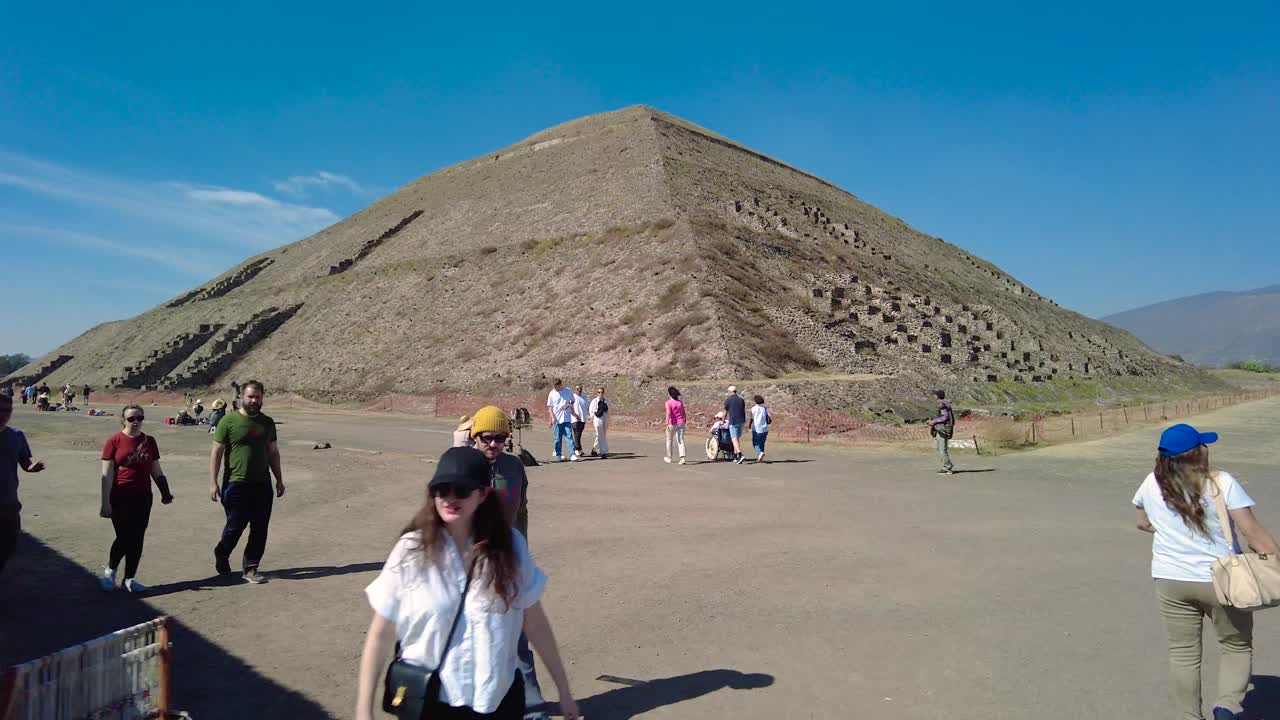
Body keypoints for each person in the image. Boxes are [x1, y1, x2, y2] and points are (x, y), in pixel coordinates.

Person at [354, 447, 580, 720]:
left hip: (499, 700)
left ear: (483, 493)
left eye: (461, 490)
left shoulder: (511, 548)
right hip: (434, 702)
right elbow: (380, 634)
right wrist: (363, 710)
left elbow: (535, 623)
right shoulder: (411, 551)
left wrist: (563, 690)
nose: (450, 498)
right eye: (441, 489)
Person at [1133, 424, 1280, 720]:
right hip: (1222, 580)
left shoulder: (1151, 482)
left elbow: (1142, 521)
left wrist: (1173, 533)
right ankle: (1226, 707)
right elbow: (1252, 532)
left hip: (1170, 579)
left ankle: (1190, 717)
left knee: (1183, 653)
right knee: (1236, 646)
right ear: (1197, 453)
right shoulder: (1220, 482)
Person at [468, 406, 549, 719]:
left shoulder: (514, 467)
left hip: (508, 567)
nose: (493, 444)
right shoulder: (462, 467)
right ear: (475, 437)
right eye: (487, 438)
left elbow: (522, 511)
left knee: (517, 644)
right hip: (471, 572)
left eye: (500, 438)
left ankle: (534, 712)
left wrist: (522, 552)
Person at [210, 380, 284, 584]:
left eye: (257, 397)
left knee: (260, 527)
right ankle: (222, 552)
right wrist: (213, 482)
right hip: (235, 483)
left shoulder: (267, 423)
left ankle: (251, 568)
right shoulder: (228, 421)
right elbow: (216, 453)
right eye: (250, 396)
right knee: (235, 526)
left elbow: (273, 452)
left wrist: (279, 479)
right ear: (242, 397)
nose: (254, 400)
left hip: (262, 484)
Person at [98, 405, 174, 592]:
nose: (136, 421)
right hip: (120, 496)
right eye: (131, 418)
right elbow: (107, 475)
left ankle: (129, 579)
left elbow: (155, 470)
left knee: (137, 538)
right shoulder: (114, 441)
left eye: (139, 417)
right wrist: (105, 502)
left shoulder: (149, 441)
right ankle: (110, 571)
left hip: (143, 497)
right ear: (123, 420)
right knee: (124, 537)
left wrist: (165, 491)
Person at [0, 394, 44, 575]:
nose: (3, 414)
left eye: (7, 410)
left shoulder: (16, 436)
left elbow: (25, 463)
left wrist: (33, 468)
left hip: (9, 504)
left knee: (7, 547)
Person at [544, 379, 579, 462]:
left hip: (566, 418)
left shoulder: (568, 391)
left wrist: (569, 405)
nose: (555, 388)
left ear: (560, 385)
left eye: (557, 386)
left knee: (569, 436)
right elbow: (550, 407)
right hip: (557, 419)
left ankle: (572, 454)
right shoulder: (552, 393)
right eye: (554, 386)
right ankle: (558, 455)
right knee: (557, 438)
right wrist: (552, 418)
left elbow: (573, 401)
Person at [926, 389, 955, 475]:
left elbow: (944, 417)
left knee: (942, 450)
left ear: (938, 396)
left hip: (943, 429)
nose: (934, 396)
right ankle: (947, 466)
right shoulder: (942, 403)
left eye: (935, 394)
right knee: (938, 448)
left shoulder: (942, 404)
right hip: (939, 429)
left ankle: (948, 467)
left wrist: (933, 421)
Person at [724, 385, 747, 464]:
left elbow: (725, 412)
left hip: (733, 421)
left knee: (734, 438)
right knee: (736, 439)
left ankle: (740, 454)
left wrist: (723, 420)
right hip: (741, 420)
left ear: (730, 392)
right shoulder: (741, 400)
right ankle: (736, 456)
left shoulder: (728, 400)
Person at [664, 387, 687, 465]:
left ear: (670, 394)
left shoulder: (668, 402)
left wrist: (666, 422)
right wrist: (684, 420)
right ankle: (682, 458)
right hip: (681, 423)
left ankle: (669, 457)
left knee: (669, 440)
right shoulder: (680, 402)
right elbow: (684, 412)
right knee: (680, 440)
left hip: (672, 423)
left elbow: (668, 413)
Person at [589, 387, 609, 459]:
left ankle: (594, 449)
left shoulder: (606, 401)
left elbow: (607, 410)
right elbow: (591, 411)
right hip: (598, 418)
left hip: (605, 418)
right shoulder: (594, 401)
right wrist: (594, 416)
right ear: (597, 393)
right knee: (601, 435)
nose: (600, 393)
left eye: (602, 392)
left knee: (602, 434)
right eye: (599, 392)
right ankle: (603, 452)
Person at [750, 395, 771, 462]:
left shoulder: (753, 408)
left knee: (755, 443)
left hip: (756, 428)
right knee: (762, 443)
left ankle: (760, 453)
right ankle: (760, 456)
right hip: (765, 428)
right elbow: (768, 417)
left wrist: (749, 424)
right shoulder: (764, 408)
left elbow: (752, 418)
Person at [570, 386, 590, 457]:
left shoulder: (584, 397)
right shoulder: (572, 397)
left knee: (579, 434)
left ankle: (578, 449)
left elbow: (587, 408)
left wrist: (588, 416)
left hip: (582, 419)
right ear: (575, 390)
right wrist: (575, 415)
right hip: (575, 419)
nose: (579, 390)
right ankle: (577, 450)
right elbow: (570, 408)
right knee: (577, 434)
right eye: (577, 389)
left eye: (580, 389)